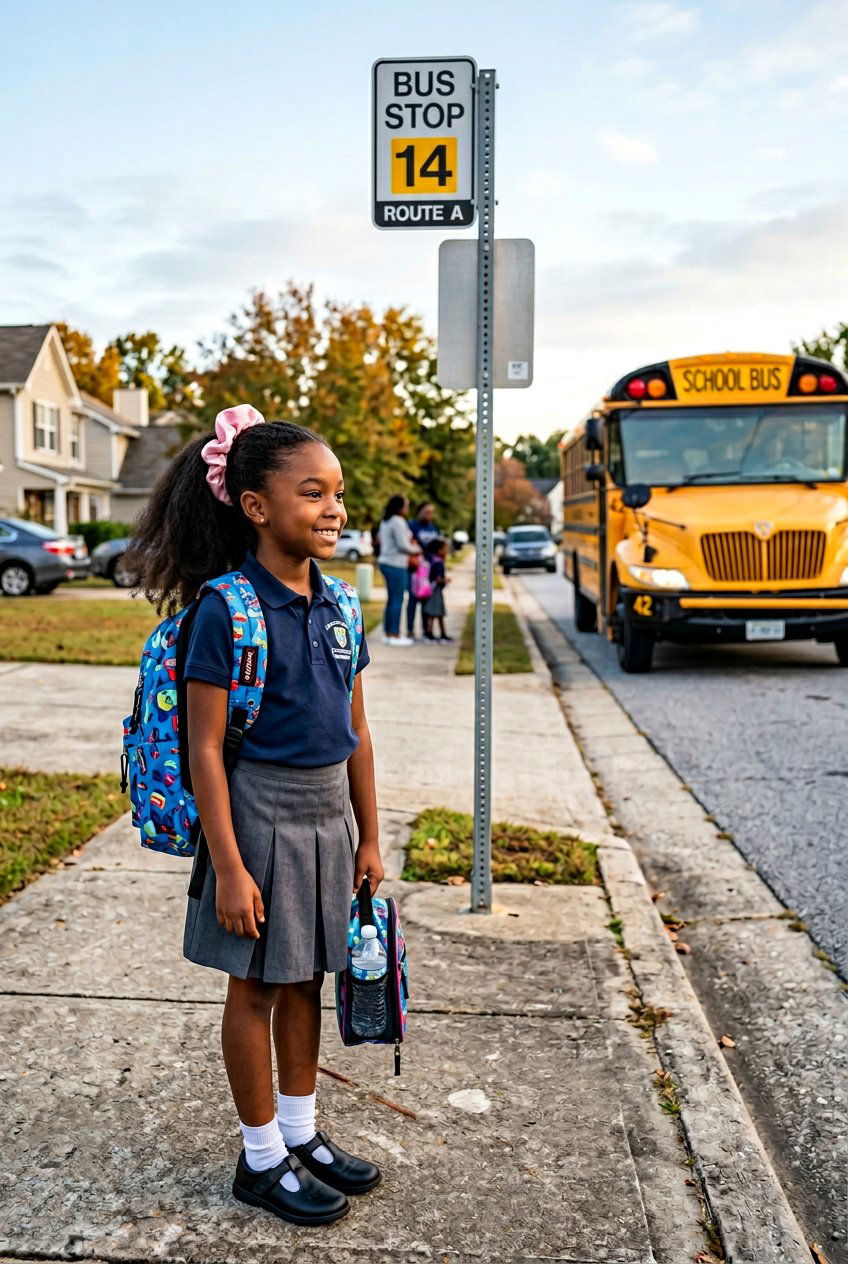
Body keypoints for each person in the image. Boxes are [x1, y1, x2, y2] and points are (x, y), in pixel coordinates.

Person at [129, 405, 384, 1227]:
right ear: (255, 506)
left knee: (306, 977)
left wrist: (371, 833)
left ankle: (303, 1135)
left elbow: (357, 728)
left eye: (337, 494)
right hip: (257, 819)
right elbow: (206, 750)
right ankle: (260, 1155)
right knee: (256, 986)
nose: (333, 510)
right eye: (313, 493)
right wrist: (231, 865)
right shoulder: (226, 610)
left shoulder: (340, 605)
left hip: (325, 818)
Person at [377, 494, 419, 646]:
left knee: (391, 599)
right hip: (396, 564)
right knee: (397, 600)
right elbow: (403, 545)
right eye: (406, 506)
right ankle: (394, 635)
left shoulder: (385, 521)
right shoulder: (398, 521)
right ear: (400, 507)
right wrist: (416, 549)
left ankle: (388, 633)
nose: (407, 509)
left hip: (385, 562)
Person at [407, 502, 441, 638]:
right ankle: (410, 630)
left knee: (427, 598)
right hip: (416, 568)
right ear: (419, 511)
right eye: (427, 512)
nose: (429, 515)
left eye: (431, 512)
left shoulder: (434, 528)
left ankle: (426, 629)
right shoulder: (412, 526)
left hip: (430, 569)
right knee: (413, 598)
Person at [423, 537, 451, 643]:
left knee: (437, 614)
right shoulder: (439, 563)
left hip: (432, 589)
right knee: (435, 614)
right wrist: (446, 580)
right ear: (439, 550)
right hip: (436, 591)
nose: (446, 550)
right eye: (445, 548)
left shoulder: (432, 560)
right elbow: (438, 579)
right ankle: (430, 634)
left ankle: (440, 633)